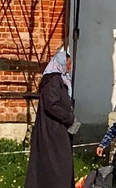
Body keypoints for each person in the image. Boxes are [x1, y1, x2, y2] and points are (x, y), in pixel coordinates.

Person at [27, 50, 75, 188]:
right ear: (61, 63)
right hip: (52, 129)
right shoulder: (53, 80)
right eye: (68, 64)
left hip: (57, 128)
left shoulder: (60, 79)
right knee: (58, 163)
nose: (70, 67)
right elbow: (52, 105)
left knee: (59, 163)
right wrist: (68, 118)